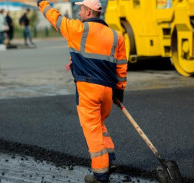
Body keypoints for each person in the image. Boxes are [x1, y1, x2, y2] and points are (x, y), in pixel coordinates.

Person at [37, 0, 127, 182]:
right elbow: (121, 67)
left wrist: (42, 3)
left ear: (88, 12)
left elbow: (54, 18)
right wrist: (119, 90)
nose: (78, 13)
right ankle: (109, 159)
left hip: (88, 90)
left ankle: (100, 174)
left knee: (92, 129)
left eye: (81, 10)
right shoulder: (117, 36)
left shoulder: (77, 29)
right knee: (99, 123)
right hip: (108, 91)